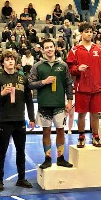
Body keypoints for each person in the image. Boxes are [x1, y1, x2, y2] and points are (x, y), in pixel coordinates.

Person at [0, 50, 35, 191]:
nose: (10, 61)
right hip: (5, 121)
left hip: (20, 120)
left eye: (12, 59)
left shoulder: (22, 78)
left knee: (21, 151)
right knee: (1, 151)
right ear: (3, 62)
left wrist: (31, 118)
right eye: (7, 59)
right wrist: (2, 94)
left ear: (15, 61)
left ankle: (21, 178)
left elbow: (29, 100)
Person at [28, 38, 73, 169]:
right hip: (44, 104)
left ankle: (60, 158)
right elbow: (30, 84)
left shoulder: (63, 65)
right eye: (46, 47)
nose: (49, 49)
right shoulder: (37, 66)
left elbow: (68, 84)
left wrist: (69, 101)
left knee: (60, 130)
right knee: (46, 131)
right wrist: (44, 82)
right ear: (42, 50)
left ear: (55, 48)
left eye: (51, 47)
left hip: (59, 104)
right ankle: (47, 158)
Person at [67, 23, 101, 148]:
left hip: (96, 87)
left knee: (95, 113)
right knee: (82, 113)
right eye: (86, 31)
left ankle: (95, 136)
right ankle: (81, 136)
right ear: (81, 33)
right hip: (82, 87)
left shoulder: (99, 49)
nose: (89, 34)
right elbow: (70, 68)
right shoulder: (74, 50)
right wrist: (78, 68)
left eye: (91, 31)